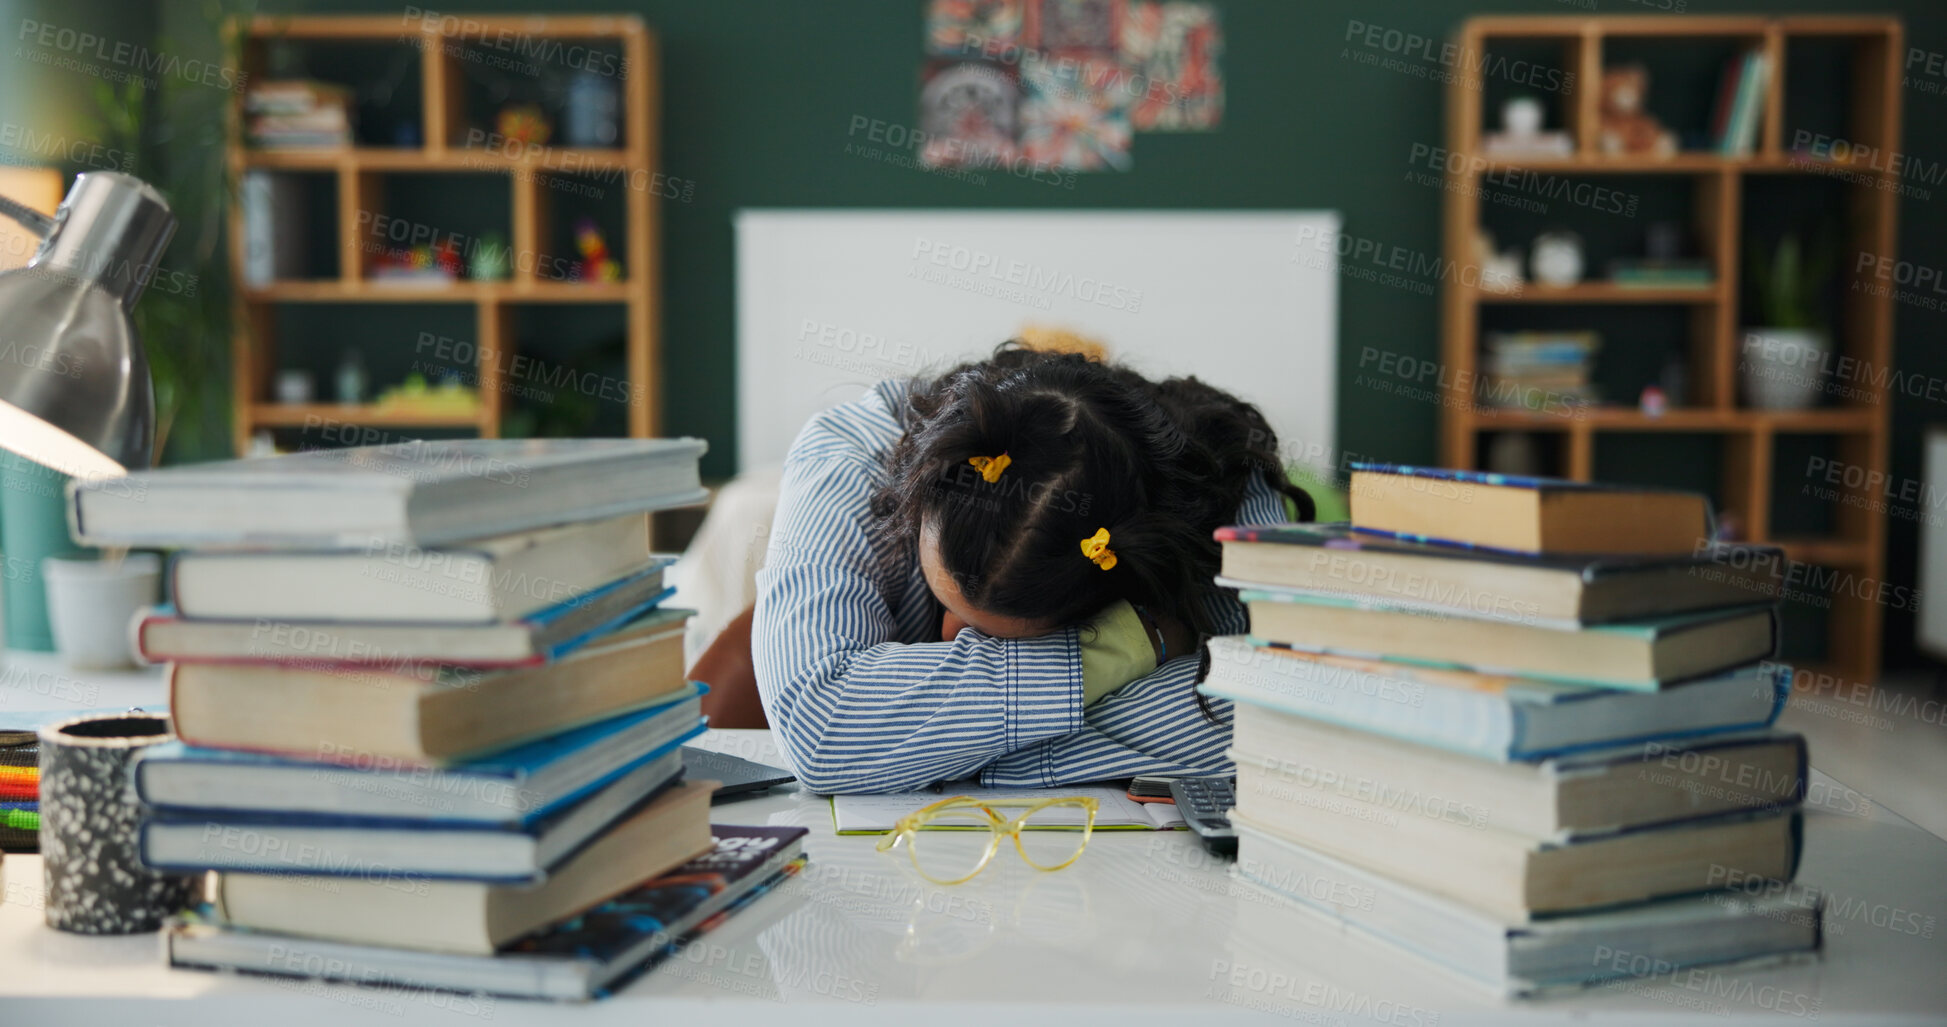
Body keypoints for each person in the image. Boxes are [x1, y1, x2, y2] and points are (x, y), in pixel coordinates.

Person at [730, 343, 1312, 792]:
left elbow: (1285, 715)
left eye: (988, 635)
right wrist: (1130, 648)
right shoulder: (851, 455)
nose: (948, 641)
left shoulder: (1222, 485)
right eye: (947, 603)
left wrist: (923, 752)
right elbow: (823, 731)